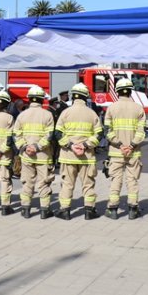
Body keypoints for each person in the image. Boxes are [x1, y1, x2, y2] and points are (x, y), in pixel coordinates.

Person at [54, 83, 102, 221]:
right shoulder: (92, 113)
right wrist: (85, 145)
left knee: (67, 184)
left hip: (68, 156)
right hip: (86, 157)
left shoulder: (65, 112)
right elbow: (99, 134)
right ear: (85, 96)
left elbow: (57, 133)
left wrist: (71, 145)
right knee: (88, 184)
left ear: (73, 96)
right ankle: (89, 211)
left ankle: (65, 211)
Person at [103, 78, 146, 220]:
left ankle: (113, 209)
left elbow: (108, 131)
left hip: (116, 152)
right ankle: (133, 209)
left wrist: (120, 145)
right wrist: (132, 145)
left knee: (116, 179)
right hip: (133, 152)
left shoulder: (111, 108)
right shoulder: (138, 108)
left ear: (118, 91)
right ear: (130, 91)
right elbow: (141, 132)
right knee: (132, 180)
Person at [14, 85, 56, 219]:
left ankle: (25, 209)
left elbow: (16, 135)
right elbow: (49, 136)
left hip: (27, 156)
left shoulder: (22, 115)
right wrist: (37, 147)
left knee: (27, 182)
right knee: (44, 182)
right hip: (43, 156)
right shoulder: (48, 114)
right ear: (42, 99)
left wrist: (26, 147)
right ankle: (45, 210)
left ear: (29, 99)